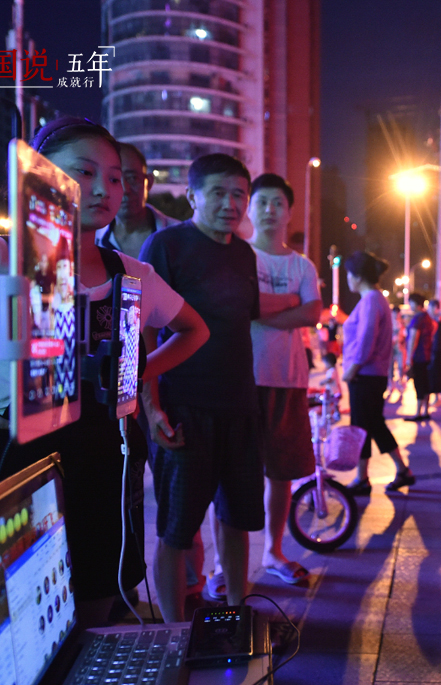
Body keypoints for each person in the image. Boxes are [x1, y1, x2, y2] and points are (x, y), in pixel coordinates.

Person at [0, 118, 210, 630]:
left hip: (107, 459)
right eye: (83, 172)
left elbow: (193, 330)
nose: (103, 189)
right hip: (14, 456)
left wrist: (132, 376)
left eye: (115, 177)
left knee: (95, 607)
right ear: (38, 178)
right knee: (11, 621)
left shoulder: (135, 274)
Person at [140, 154, 301, 621]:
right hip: (185, 405)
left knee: (237, 521)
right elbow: (146, 332)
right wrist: (151, 409)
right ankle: (172, 632)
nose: (231, 204)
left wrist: (302, 301)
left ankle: (234, 612)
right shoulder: (165, 246)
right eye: (219, 193)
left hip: (240, 405)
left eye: (239, 195)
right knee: (176, 529)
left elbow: (246, 316)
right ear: (192, 196)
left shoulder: (244, 252)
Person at [247, 172, 321, 585]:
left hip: (288, 381)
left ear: (290, 211)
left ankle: (274, 552)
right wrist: (290, 302)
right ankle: (226, 566)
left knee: (281, 474)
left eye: (278, 203)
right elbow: (242, 305)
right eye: (262, 202)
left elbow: (313, 313)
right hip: (242, 380)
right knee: (237, 474)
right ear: (250, 208)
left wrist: (261, 309)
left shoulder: (301, 264)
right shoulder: (239, 256)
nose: (270, 210)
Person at [341, 251, 413, 495]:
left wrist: (351, 370)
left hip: (365, 375)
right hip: (372, 374)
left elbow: (365, 339)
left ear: (358, 276)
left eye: (348, 274)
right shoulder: (375, 299)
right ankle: (402, 470)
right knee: (373, 424)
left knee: (361, 427)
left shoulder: (371, 299)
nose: (347, 279)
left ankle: (362, 479)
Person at [94, 142, 179, 259]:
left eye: (133, 178)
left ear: (148, 182)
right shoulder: (91, 239)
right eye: (114, 180)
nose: (125, 189)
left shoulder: (179, 237)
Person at [404, 292, 435, 421]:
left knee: (419, 384)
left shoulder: (417, 318)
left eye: (410, 302)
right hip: (428, 356)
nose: (409, 305)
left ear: (416, 304)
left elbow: (413, 339)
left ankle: (418, 413)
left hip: (418, 357)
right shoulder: (428, 318)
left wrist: (408, 358)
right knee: (426, 384)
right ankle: (426, 411)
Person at [427, 298, 441, 406]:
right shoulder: (431, 319)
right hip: (432, 350)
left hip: (438, 350)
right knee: (433, 374)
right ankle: (436, 397)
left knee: (439, 373)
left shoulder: (439, 318)